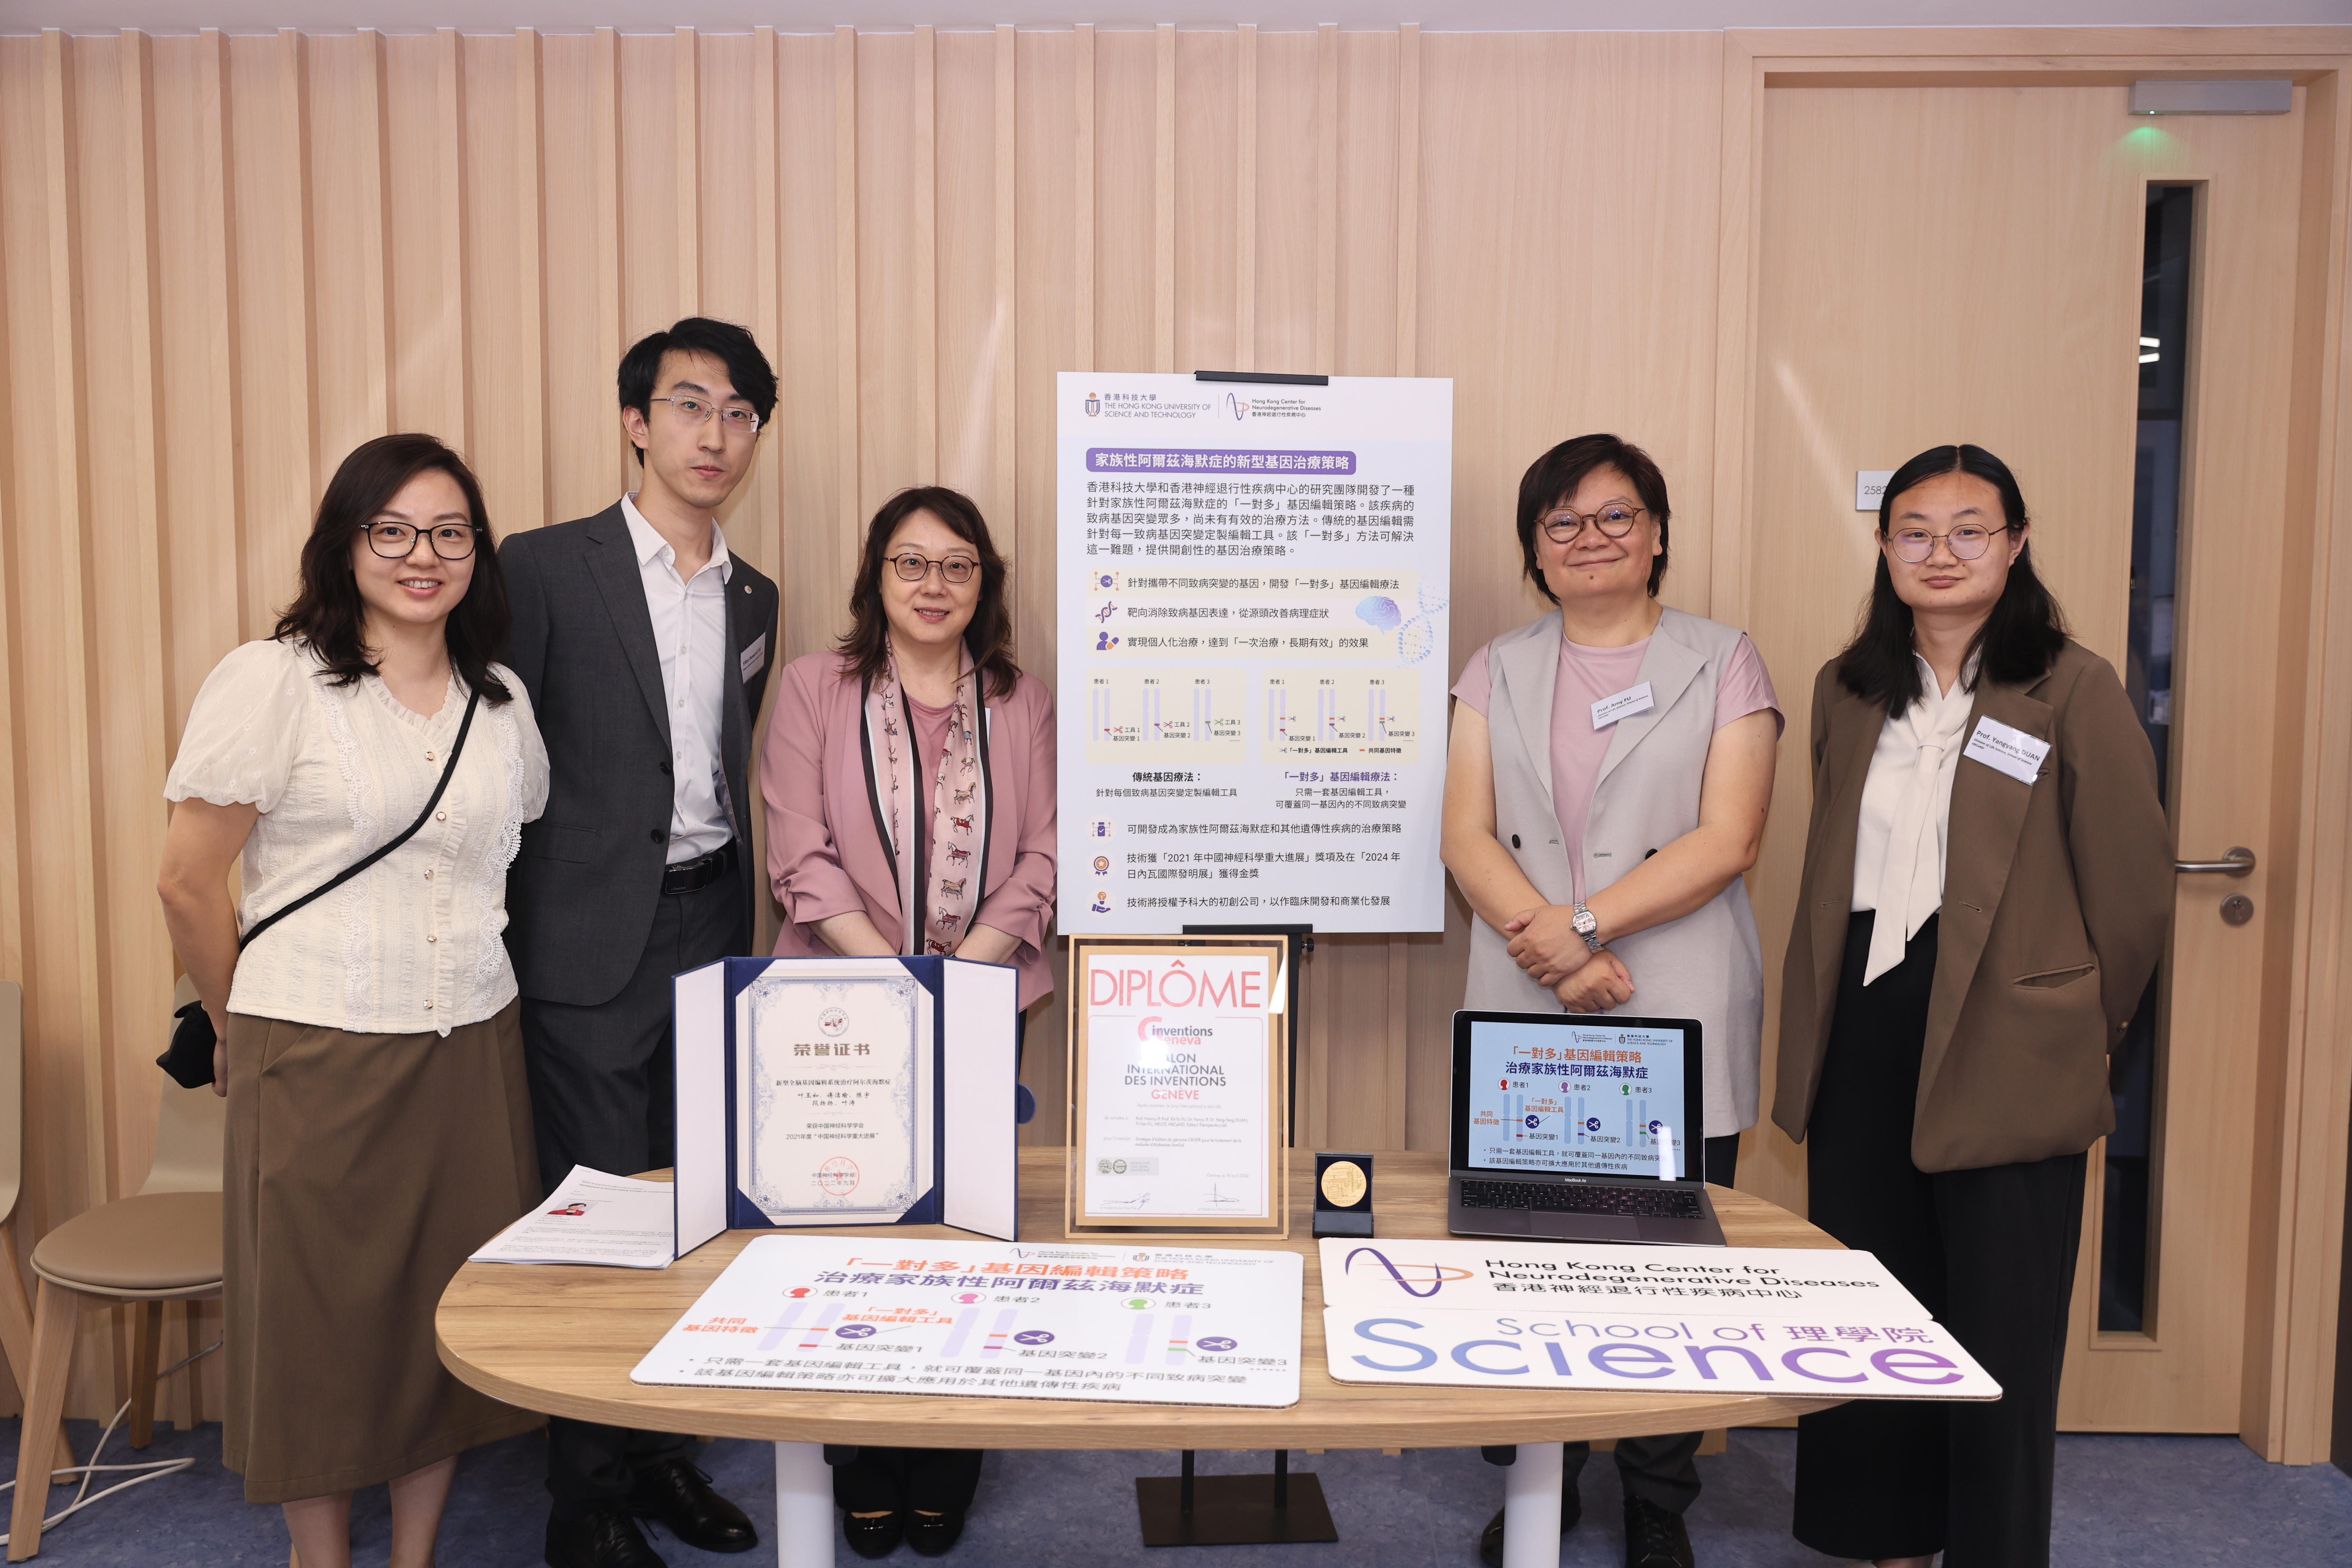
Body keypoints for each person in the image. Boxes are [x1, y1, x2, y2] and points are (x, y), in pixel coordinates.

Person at [155, 434, 548, 1568]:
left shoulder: (502, 700)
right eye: (394, 531)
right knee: (320, 1328)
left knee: (447, 1313)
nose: (424, 556)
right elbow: (187, 885)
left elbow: (499, 866)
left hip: (473, 1041)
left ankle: (414, 1553)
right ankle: (319, 1560)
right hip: (314, 1043)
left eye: (451, 533)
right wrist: (239, 1032)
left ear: (477, 552)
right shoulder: (275, 680)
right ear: (346, 542)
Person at [1771, 445, 2169, 1568]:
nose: (1940, 553)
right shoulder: (1847, 687)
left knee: (1997, 1323)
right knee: (1872, 1305)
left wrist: (2080, 1026)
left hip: (2012, 1031)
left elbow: (2133, 891)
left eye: (1969, 529)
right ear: (1886, 547)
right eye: (1914, 531)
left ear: (2016, 543)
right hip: (1867, 1017)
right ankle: (1882, 1543)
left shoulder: (2072, 686)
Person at [1439, 434, 1780, 1568]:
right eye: (1563, 523)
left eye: (1615, 516)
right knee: (1521, 1251)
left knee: (1670, 1265)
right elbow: (1467, 835)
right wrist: (1558, 950)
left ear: (1659, 534)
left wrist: (1582, 927)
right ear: (1537, 550)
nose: (1591, 540)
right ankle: (1542, 1473)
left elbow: (1729, 839)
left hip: (1671, 986)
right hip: (1530, 991)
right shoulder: (1495, 666)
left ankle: (1657, 1500)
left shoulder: (1726, 660)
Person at [501, 317, 779, 1568]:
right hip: (584, 937)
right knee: (598, 1216)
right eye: (689, 406)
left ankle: (665, 1457)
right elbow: (496, 761)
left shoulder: (754, 593)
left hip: (715, 922)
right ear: (635, 421)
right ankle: (585, 1501)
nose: (714, 435)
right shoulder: (544, 568)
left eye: (738, 414)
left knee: (696, 1205)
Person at [762, 485, 1056, 1559]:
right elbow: (797, 844)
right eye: (910, 563)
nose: (934, 585)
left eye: (958, 565)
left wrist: (961, 977)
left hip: (982, 1002)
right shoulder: (813, 689)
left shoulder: (1023, 700)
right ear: (875, 577)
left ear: (986, 583)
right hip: (839, 1003)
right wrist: (896, 981)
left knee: (963, 1236)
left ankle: (946, 1461)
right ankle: (865, 1461)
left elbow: (1049, 852)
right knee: (851, 1237)